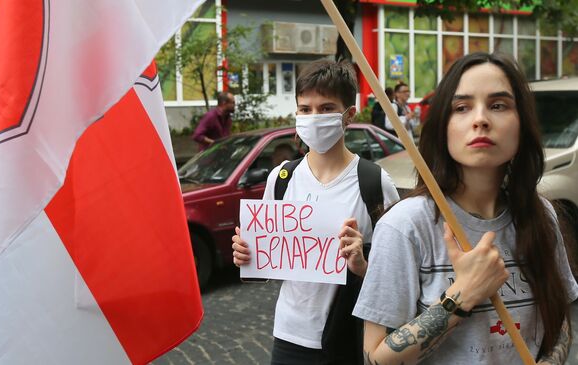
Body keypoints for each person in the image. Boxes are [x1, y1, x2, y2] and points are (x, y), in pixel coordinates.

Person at [356, 52, 578, 364]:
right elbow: (375, 357)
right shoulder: (405, 226)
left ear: (522, 124)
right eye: (461, 108)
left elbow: (560, 318)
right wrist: (463, 295)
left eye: (498, 105)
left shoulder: (542, 215)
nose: (480, 119)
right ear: (443, 127)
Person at [232, 59, 399, 364]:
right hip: (288, 335)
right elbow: (262, 268)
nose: (313, 117)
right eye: (305, 109)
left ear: (349, 115)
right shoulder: (281, 179)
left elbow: (398, 273)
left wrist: (362, 264)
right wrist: (246, 255)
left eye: (325, 108)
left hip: (349, 336)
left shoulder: (375, 182)